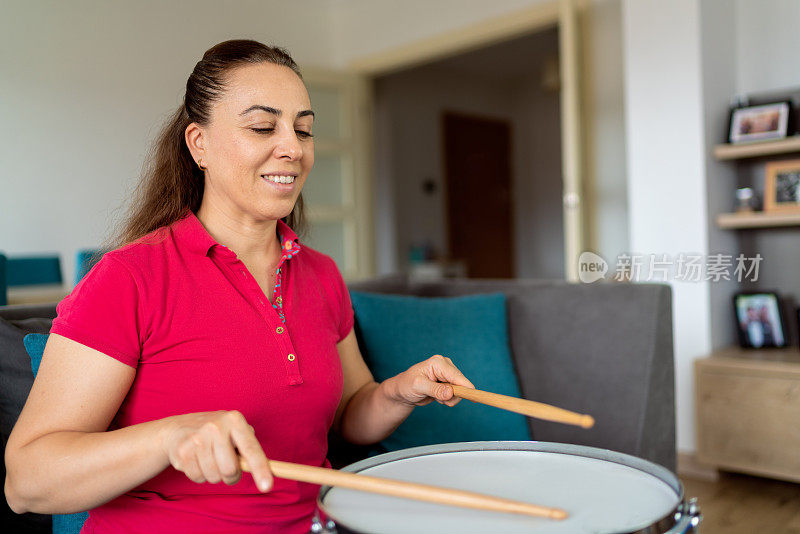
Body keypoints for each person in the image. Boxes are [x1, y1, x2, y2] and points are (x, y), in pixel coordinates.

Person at [5, 39, 475, 533]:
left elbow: (348, 420)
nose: (293, 147)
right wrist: (171, 437)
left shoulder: (321, 275)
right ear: (198, 143)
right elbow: (26, 482)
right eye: (261, 126)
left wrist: (400, 393)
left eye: (304, 129)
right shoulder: (129, 279)